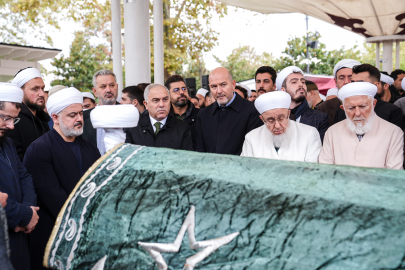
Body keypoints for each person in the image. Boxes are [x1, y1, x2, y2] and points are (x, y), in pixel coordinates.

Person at [23, 87, 101, 270]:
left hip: (87, 231)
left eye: (81, 113)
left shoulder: (89, 147)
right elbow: (52, 196)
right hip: (53, 233)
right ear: (55, 118)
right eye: (72, 115)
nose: (79, 119)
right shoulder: (39, 149)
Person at [319, 82, 403, 169]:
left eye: (362, 106)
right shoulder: (332, 132)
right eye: (351, 108)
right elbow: (325, 170)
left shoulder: (393, 132)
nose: (357, 113)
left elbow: (394, 173)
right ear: (343, 108)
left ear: (373, 104)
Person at [0, 83, 38, 270]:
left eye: (13, 120)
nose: (10, 126)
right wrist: (22, 215)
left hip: (18, 234)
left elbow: (24, 176)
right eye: (6, 118)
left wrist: (29, 209)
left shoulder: (6, 143)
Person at [194, 67, 263, 155]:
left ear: (233, 84)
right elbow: (200, 149)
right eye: (214, 86)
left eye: (223, 85)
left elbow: (252, 149)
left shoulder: (252, 110)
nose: (219, 91)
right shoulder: (203, 114)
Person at [241, 91, 322, 162]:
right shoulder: (251, 138)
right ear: (262, 119)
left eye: (281, 118)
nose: (277, 125)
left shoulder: (310, 134)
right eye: (270, 120)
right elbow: (246, 170)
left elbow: (312, 171)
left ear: (289, 114)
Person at [334, 64, 404, 129]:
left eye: (360, 82)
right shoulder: (342, 111)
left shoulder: (392, 111)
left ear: (376, 85)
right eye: (352, 82)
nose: (354, 85)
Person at [125, 84, 193, 150]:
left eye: (165, 99)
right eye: (156, 100)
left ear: (170, 102)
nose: (161, 105)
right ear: (146, 104)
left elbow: (187, 158)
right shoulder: (133, 127)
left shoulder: (182, 128)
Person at [276, 66, 329, 142]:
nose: (301, 85)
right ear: (283, 90)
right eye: (294, 82)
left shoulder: (320, 118)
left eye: (303, 82)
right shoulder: (274, 119)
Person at [7, 67, 50, 161]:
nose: (42, 93)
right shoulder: (13, 120)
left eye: (42, 88)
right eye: (35, 89)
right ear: (20, 91)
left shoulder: (43, 118)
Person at [316, 59, 361, 126]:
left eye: (350, 78)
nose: (346, 82)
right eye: (341, 78)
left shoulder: (371, 104)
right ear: (336, 82)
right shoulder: (323, 108)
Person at [82, 69, 119, 149]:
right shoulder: (83, 118)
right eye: (103, 87)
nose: (108, 90)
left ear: (117, 87)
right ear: (95, 91)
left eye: (112, 85)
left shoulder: (129, 113)